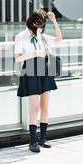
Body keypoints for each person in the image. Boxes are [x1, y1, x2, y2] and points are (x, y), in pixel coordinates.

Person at [14, 10, 63, 153]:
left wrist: (54, 21)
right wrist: (34, 53)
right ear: (31, 22)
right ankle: (32, 141)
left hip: (44, 69)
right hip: (30, 69)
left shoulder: (41, 35)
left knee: (45, 107)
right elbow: (17, 58)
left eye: (41, 26)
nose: (39, 28)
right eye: (37, 25)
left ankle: (42, 139)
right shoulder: (21, 37)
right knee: (35, 108)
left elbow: (59, 40)